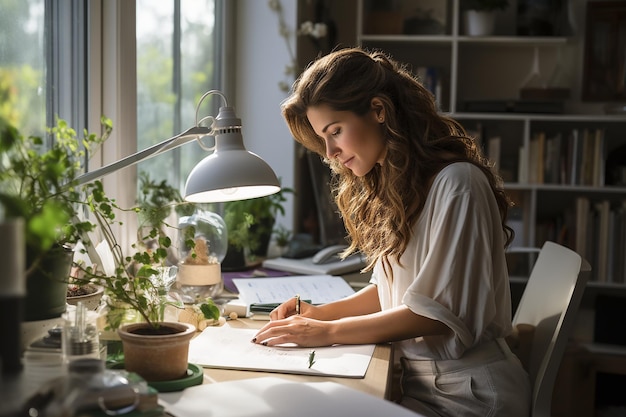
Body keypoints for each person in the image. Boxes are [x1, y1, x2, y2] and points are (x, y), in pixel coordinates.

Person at [252, 47, 531, 417]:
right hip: (422, 386)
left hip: (470, 397)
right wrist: (319, 314)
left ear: (379, 111)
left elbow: (435, 314)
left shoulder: (458, 184)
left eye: (335, 131)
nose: (330, 152)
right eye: (324, 138)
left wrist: (328, 332)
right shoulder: (399, 185)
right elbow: (396, 294)